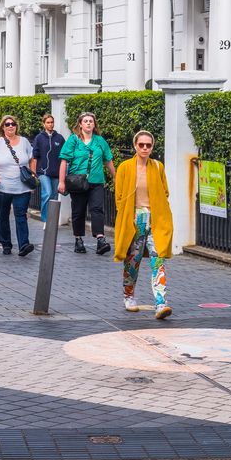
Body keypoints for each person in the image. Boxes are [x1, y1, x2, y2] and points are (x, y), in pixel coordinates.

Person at [110, 130, 174, 317]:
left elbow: (165, 192)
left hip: (155, 218)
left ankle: (161, 303)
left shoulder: (158, 167)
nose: (145, 148)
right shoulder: (125, 167)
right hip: (135, 219)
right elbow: (119, 197)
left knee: (158, 260)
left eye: (149, 145)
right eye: (141, 145)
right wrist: (128, 217)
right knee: (133, 260)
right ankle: (128, 296)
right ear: (135, 146)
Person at [61, 113, 115, 255]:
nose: (89, 123)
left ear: (94, 124)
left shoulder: (99, 141)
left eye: (91, 121)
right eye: (85, 121)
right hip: (77, 181)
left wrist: (115, 177)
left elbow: (108, 160)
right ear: (80, 124)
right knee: (78, 211)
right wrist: (61, 182)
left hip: (96, 181)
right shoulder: (73, 140)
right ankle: (78, 239)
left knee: (97, 209)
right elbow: (64, 161)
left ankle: (100, 239)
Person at [0, 116, 38, 256]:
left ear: (16, 126)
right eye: (7, 124)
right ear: (3, 127)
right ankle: (6, 244)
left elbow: (32, 159)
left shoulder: (24, 142)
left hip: (22, 187)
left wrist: (32, 173)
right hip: (2, 187)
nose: (10, 126)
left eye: (13, 124)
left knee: (21, 215)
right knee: (3, 215)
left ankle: (24, 245)